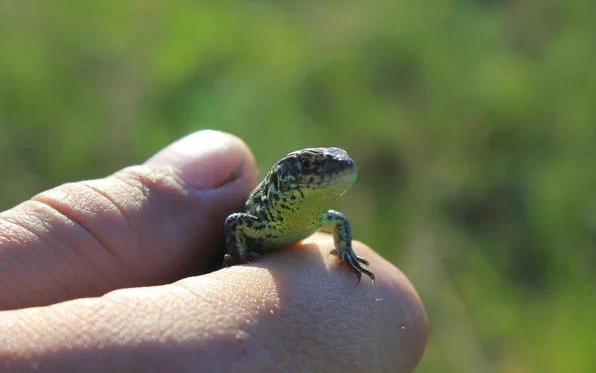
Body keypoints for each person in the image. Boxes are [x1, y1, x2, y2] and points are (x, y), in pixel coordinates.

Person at [0, 130, 428, 372]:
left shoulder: (325, 219)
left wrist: (346, 254)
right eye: (313, 166)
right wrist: (238, 264)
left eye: (339, 162)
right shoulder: (263, 215)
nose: (336, 169)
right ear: (287, 177)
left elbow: (339, 225)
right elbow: (235, 225)